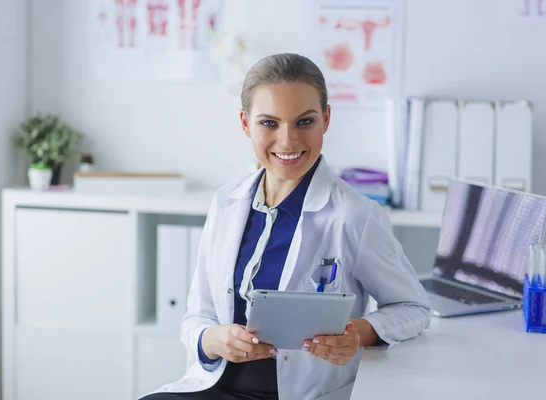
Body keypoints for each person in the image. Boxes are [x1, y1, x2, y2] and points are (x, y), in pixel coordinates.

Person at [140, 53, 431, 400]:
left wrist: (361, 332)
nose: (288, 141)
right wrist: (212, 339)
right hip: (214, 387)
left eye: (304, 121)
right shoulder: (226, 202)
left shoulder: (355, 216)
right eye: (269, 123)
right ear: (246, 123)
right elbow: (196, 316)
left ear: (326, 118)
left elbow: (413, 309)